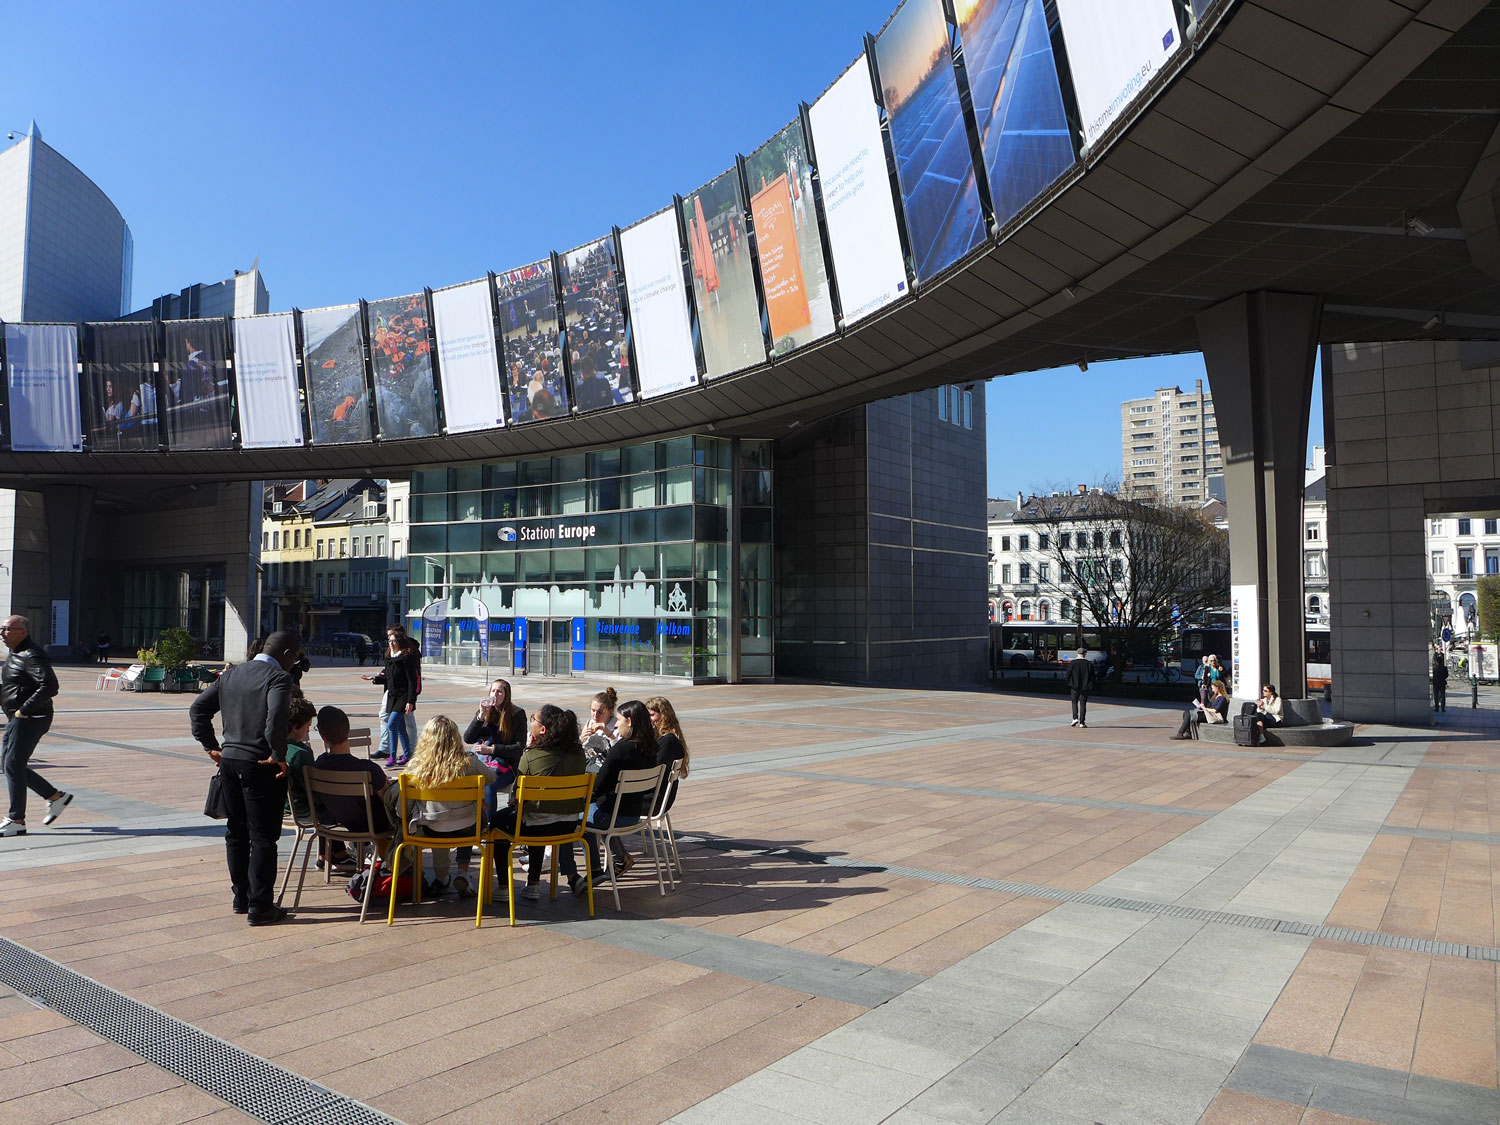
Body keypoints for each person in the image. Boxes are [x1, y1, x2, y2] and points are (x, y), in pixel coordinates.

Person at [188, 628, 301, 924]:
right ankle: (261, 906)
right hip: (260, 763)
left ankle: (241, 897)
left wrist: (211, 745)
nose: (295, 665)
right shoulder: (278, 677)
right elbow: (276, 716)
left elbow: (198, 708)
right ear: (287, 654)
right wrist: (278, 753)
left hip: (230, 761)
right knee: (263, 837)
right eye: (295, 658)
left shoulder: (231, 674)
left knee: (236, 832)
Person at [492, 704, 590, 899]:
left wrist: (530, 748)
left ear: (543, 730)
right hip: (568, 826)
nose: (531, 723)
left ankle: (503, 886)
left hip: (536, 827)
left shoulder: (530, 756)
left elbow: (517, 797)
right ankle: (533, 884)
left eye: (533, 720)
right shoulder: (578, 754)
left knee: (498, 822)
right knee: (535, 814)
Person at [400, 715, 496, 895]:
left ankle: (442, 878)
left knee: (437, 818)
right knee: (465, 814)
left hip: (432, 827)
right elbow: (492, 778)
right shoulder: (469, 763)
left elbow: (406, 805)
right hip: (468, 828)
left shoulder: (416, 767)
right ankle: (463, 873)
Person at [0, 616, 70, 838]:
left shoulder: (32, 654)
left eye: (6, 629)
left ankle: (16, 819)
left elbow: (50, 685)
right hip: (17, 718)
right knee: (9, 764)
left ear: (22, 631)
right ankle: (55, 797)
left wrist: (24, 710)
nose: (2, 633)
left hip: (30, 718)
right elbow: (15, 685)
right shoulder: (15, 653)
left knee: (12, 764)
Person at [585, 699, 658, 878]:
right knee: (597, 811)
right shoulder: (651, 748)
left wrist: (583, 799)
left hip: (613, 817)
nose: (616, 725)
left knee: (577, 818)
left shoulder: (621, 749)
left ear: (630, 721)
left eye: (618, 720)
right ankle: (621, 858)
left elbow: (599, 786)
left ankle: (594, 871)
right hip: (634, 814)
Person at [311, 704, 393, 838]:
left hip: (339, 823)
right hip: (375, 825)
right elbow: (387, 799)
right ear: (348, 731)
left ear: (323, 737)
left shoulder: (319, 766)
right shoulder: (368, 769)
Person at [365, 631, 418, 765]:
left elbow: (412, 681)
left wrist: (410, 701)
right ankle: (407, 754)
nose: (391, 644)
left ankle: (392, 757)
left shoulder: (406, 658)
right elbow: (389, 678)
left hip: (403, 697)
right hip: (392, 696)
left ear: (400, 642)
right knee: (400, 728)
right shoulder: (389, 658)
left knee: (392, 724)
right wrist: (375, 679)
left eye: (394, 641)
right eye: (389, 641)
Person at [465, 677, 527, 785]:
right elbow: (468, 738)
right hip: (482, 762)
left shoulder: (517, 714)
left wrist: (491, 750)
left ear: (506, 696)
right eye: (493, 691)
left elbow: (518, 748)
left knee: (488, 783)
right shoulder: (485, 711)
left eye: (499, 692)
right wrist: (481, 716)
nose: (495, 695)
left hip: (506, 765)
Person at [645, 695, 689, 815]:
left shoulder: (668, 741)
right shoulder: (667, 738)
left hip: (654, 800)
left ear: (664, 716)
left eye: (652, 715)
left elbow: (653, 771)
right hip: (660, 797)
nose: (648, 719)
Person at [581, 686, 618, 767]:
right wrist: (581, 740)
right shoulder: (590, 722)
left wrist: (607, 732)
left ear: (610, 711)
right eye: (593, 710)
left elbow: (619, 752)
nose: (595, 715)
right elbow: (582, 748)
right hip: (588, 764)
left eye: (600, 712)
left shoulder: (617, 726)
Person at [1066, 647, 1095, 729]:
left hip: (1074, 686)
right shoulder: (1088, 663)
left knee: (1074, 702)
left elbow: (1068, 674)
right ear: (1084, 654)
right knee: (1083, 704)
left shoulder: (1073, 663)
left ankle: (1075, 718)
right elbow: (1092, 676)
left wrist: (1070, 683)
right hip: (1085, 687)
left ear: (1077, 653)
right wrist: (1091, 685)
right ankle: (1082, 722)